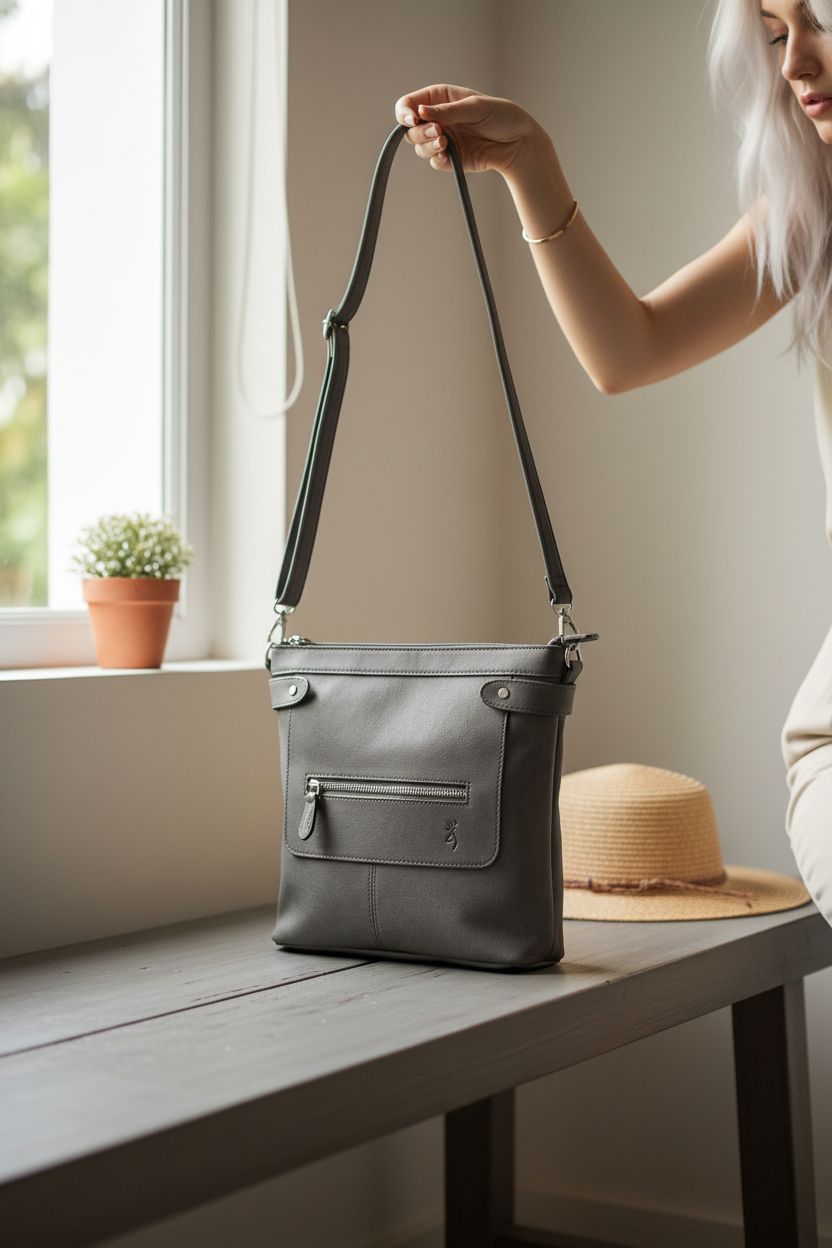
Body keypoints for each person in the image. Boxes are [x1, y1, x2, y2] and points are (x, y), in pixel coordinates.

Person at [394, 0, 832, 931]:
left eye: (824, 19)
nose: (797, 63)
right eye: (774, 31)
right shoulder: (812, 212)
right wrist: (528, 162)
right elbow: (627, 350)